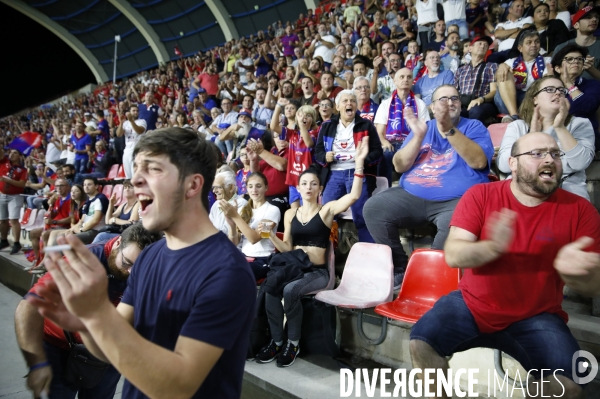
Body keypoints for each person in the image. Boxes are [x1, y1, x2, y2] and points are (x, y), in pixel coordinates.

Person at [29, 128, 256, 398]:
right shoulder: (149, 255)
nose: (135, 180)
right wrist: (86, 318)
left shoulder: (227, 273)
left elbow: (178, 386)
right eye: (136, 169)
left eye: (153, 170)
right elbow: (107, 349)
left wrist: (98, 312)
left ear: (192, 186)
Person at [409, 132, 600, 399]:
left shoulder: (581, 210)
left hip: (538, 314)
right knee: (422, 344)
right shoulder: (481, 195)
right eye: (537, 153)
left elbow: (593, 286)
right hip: (471, 304)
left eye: (555, 154)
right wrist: (492, 248)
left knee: (568, 386)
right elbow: (453, 254)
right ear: (512, 163)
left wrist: (579, 274)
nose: (549, 159)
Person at [364, 85, 494, 290]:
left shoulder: (474, 126)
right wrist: (417, 137)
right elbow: (399, 165)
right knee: (374, 208)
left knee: (453, 228)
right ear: (433, 106)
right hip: (412, 194)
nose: (449, 102)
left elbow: (478, 162)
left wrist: (448, 129)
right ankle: (400, 267)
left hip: (457, 200)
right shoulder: (423, 127)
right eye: (443, 99)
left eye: (454, 98)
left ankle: (428, 279)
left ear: (461, 104)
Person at [256, 138, 370, 367]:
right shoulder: (290, 214)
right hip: (294, 267)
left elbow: (354, 196)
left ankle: (293, 343)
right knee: (269, 289)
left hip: (316, 272)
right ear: (298, 188)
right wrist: (270, 237)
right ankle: (277, 341)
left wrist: (359, 164)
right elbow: (287, 248)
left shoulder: (326, 210)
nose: (308, 187)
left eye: (313, 184)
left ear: (320, 189)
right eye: (304, 183)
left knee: (290, 291)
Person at [15, 223, 160, 399]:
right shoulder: (84, 259)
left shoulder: (152, 269)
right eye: (127, 263)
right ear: (117, 243)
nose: (131, 273)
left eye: (140, 270)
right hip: (60, 349)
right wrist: (36, 363)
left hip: (107, 354)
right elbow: (29, 306)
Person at [497, 76, 595, 199]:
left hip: (567, 188)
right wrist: (532, 135)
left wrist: (560, 127)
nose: (558, 92)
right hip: (523, 189)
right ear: (535, 99)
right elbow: (504, 165)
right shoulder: (518, 126)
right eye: (550, 89)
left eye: (561, 90)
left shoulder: (580, 124)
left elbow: (580, 163)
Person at [315, 90, 383, 243]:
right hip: (333, 174)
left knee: (362, 216)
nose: (349, 103)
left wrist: (362, 159)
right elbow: (318, 152)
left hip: (358, 173)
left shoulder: (366, 125)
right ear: (337, 107)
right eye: (345, 101)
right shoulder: (327, 126)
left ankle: (367, 253)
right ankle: (325, 255)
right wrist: (325, 157)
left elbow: (378, 152)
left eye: (352, 100)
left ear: (357, 105)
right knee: (325, 215)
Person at [373, 68, 430, 187]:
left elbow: (426, 129)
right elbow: (379, 132)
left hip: (412, 143)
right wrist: (384, 142)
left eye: (409, 77)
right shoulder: (385, 104)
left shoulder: (420, 104)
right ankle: (384, 190)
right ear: (395, 81)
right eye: (402, 77)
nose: (406, 79)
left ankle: (413, 187)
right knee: (385, 153)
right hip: (391, 143)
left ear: (412, 81)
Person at [221, 172, 281, 279]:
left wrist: (235, 216)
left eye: (258, 186)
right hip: (244, 257)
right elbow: (234, 242)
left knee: (234, 273)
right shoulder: (244, 210)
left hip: (263, 259)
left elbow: (254, 238)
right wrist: (232, 226)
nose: (254, 190)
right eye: (250, 186)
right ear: (246, 189)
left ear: (266, 188)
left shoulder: (273, 210)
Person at [495, 31, 552, 122]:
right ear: (520, 48)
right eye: (529, 42)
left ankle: (514, 117)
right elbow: (498, 78)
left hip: (533, 99)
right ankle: (514, 114)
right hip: (510, 100)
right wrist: (501, 66)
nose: (534, 45)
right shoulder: (510, 62)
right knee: (504, 72)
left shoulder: (547, 61)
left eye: (536, 42)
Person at [552, 43, 600, 145]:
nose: (576, 62)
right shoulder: (548, 87)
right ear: (557, 68)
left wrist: (569, 84)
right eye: (569, 59)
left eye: (579, 59)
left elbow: (587, 107)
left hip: (583, 138)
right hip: (553, 137)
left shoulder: (593, 85)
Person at [454, 36, 499, 121]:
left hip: (483, 103)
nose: (483, 46)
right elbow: (455, 91)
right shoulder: (460, 70)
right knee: (453, 112)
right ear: (470, 49)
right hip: (463, 103)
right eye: (480, 44)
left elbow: (494, 91)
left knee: (475, 111)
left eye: (486, 45)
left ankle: (473, 134)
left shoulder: (492, 67)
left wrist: (481, 99)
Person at [29, 178, 72, 265]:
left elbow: (71, 218)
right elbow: (52, 215)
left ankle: (47, 262)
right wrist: (51, 205)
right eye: (57, 186)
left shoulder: (71, 199)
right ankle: (37, 260)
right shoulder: (57, 198)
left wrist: (55, 222)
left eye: (61, 186)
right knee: (33, 233)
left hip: (64, 226)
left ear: (67, 187)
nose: (59, 188)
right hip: (54, 225)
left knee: (45, 234)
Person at [554, 6, 600, 81]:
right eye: (588, 17)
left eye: (597, 17)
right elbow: (554, 76)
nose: (594, 19)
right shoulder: (561, 48)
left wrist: (591, 69)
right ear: (576, 25)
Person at [63, 177, 109, 244]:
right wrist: (72, 229)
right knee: (58, 236)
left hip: (95, 231)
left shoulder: (100, 199)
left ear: (96, 186)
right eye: (84, 185)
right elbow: (82, 220)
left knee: (65, 240)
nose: (86, 187)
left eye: (89, 185)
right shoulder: (88, 200)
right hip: (86, 229)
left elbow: (95, 220)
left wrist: (81, 230)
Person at [0, 146, 27, 254]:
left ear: (20, 156)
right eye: (11, 152)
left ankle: (16, 243)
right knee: (2, 220)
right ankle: (4, 240)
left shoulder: (23, 169)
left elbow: (21, 184)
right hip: (2, 195)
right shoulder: (4, 161)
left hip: (15, 196)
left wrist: (8, 180)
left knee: (14, 220)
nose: (11, 154)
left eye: (15, 153)